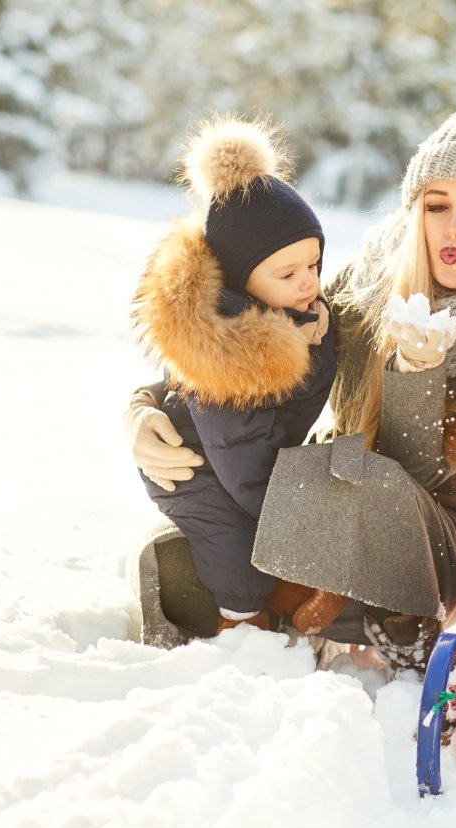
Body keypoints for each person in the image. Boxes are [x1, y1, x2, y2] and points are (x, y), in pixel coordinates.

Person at [125, 102, 456, 670]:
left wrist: (416, 376)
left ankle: (350, 611)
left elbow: (417, 472)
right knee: (187, 547)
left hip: (441, 541)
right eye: (436, 205)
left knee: (366, 483)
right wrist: (147, 406)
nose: (453, 227)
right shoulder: (368, 288)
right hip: (340, 498)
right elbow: (249, 341)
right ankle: (278, 606)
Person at [130, 118, 335, 635]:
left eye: (313, 264)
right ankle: (238, 624)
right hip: (195, 469)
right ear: (242, 283)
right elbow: (244, 466)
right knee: (238, 560)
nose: (309, 282)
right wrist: (299, 531)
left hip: (246, 462)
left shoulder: (300, 316)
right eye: (288, 274)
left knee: (264, 540)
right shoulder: (230, 360)